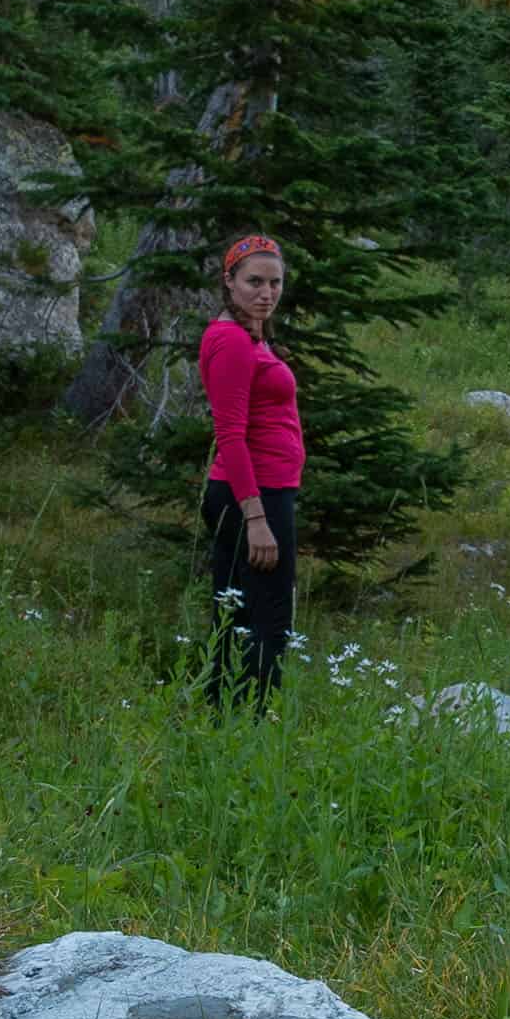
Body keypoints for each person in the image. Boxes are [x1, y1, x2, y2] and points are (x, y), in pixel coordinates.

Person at [199, 235, 302, 705]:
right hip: (252, 497)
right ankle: (248, 719)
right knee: (266, 617)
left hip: (264, 492)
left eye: (275, 282)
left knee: (240, 611)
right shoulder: (232, 342)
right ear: (229, 282)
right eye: (254, 282)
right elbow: (231, 435)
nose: (266, 292)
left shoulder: (253, 338)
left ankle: (227, 716)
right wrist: (256, 518)